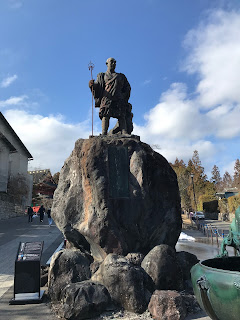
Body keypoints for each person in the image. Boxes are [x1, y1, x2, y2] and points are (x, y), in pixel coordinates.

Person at [89, 57, 133, 135]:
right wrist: (92, 85)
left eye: (115, 62)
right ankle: (104, 133)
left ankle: (124, 131)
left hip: (119, 98)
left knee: (121, 115)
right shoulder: (102, 75)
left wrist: (124, 95)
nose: (113, 64)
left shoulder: (121, 76)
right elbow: (97, 85)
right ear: (107, 64)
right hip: (107, 97)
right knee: (105, 115)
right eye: (111, 62)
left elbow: (127, 87)